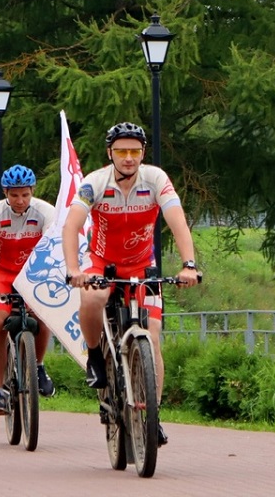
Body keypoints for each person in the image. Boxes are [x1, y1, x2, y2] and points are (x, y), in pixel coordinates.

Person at [61, 122, 200, 447]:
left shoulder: (155, 179)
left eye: (135, 151)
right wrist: (72, 268)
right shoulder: (94, 182)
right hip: (102, 263)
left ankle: (153, 416)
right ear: (110, 153)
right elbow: (71, 226)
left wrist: (189, 265)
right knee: (92, 299)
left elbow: (176, 219)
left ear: (143, 153)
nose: (128, 158)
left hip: (142, 266)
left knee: (151, 340)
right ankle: (95, 356)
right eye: (121, 151)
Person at [0, 164, 58, 415]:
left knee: (44, 315)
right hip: (1, 274)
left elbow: (49, 248)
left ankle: (39, 366)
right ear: (5, 193)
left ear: (32, 190)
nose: (20, 200)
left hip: (33, 272)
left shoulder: (46, 212)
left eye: (25, 194)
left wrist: (43, 284)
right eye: (14, 195)